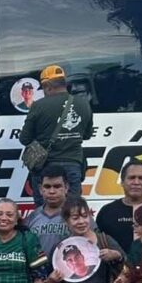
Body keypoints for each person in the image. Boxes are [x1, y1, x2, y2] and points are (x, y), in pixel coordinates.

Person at [19, 64, 94, 202]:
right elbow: (87, 134)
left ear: (48, 86)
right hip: (74, 165)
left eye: (44, 89)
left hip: (46, 168)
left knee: (45, 210)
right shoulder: (84, 104)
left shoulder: (39, 105)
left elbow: (24, 138)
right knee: (72, 210)